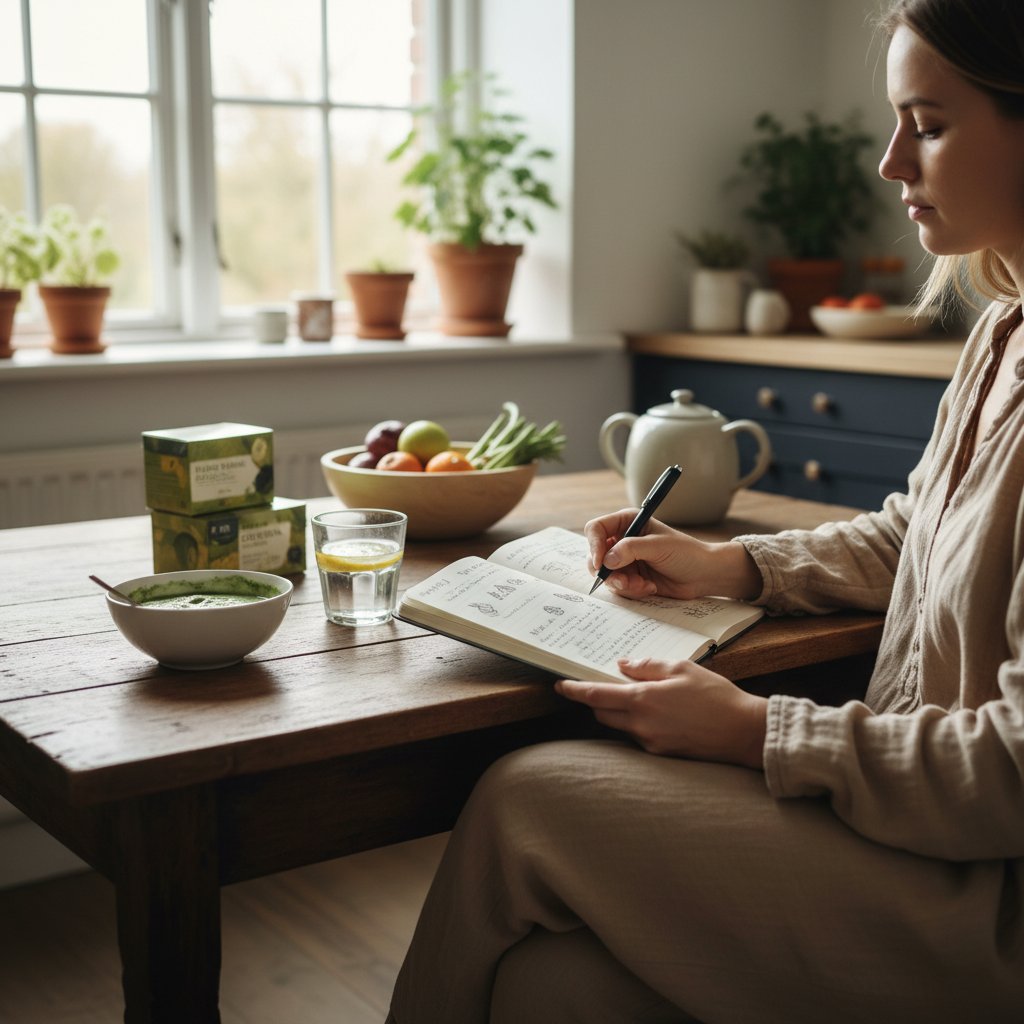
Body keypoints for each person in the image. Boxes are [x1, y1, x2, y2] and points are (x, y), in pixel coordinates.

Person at [388, 0, 1024, 1019]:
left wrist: (758, 731)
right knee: (543, 989)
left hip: (983, 896)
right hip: (906, 822)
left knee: (527, 798)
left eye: (930, 124)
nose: (889, 162)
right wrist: (731, 567)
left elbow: (1012, 769)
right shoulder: (1002, 335)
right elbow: (914, 535)